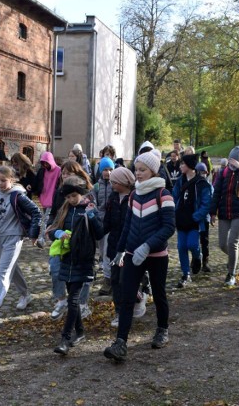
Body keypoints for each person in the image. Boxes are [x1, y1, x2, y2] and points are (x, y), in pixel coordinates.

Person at [103, 149, 175, 362]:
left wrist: (148, 246)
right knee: (126, 297)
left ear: (153, 171)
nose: (139, 173)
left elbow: (169, 227)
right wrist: (120, 250)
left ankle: (162, 329)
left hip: (157, 255)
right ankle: (120, 343)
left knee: (159, 293)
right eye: (136, 169)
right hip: (133, 255)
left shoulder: (164, 195)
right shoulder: (134, 194)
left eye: (143, 170)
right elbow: (128, 225)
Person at [48, 176, 104, 355]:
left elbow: (100, 232)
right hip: (67, 259)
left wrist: (92, 215)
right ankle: (80, 332)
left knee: (73, 300)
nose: (71, 199)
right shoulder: (64, 209)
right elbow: (51, 230)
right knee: (73, 300)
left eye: (74, 196)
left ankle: (65, 339)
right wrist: (58, 233)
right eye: (68, 197)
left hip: (83, 260)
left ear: (80, 193)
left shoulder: (88, 208)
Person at [0, 165, 42, 322]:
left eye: (4, 181)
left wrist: (33, 234)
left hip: (14, 236)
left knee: (3, 271)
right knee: (11, 268)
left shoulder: (18, 195)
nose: (0, 184)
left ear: (12, 180)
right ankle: (26, 295)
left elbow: (36, 212)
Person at [46, 161, 94, 321]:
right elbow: (53, 214)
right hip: (62, 237)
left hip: (83, 240)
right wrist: (52, 229)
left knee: (83, 272)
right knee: (55, 268)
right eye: (63, 173)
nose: (65, 176)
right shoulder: (60, 193)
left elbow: (96, 220)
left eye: (69, 173)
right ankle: (61, 300)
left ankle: (82, 303)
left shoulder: (88, 194)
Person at [104, 167, 147, 328]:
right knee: (115, 280)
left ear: (123, 182)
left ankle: (137, 297)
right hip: (114, 246)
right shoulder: (113, 198)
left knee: (125, 280)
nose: (111, 184)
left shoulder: (135, 197)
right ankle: (119, 312)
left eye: (114, 182)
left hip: (130, 246)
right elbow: (107, 223)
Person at [209, 145, 239, 286]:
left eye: (234, 160)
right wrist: (212, 212)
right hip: (224, 212)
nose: (231, 163)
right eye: (230, 159)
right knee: (222, 244)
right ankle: (233, 259)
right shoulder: (223, 172)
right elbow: (216, 192)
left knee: (233, 243)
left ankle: (231, 274)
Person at [172, 154, 212, 287]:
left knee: (192, 244)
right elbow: (174, 197)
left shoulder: (202, 183)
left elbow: (206, 204)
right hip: (181, 220)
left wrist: (195, 216)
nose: (180, 166)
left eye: (183, 164)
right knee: (181, 247)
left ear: (189, 166)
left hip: (194, 221)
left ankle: (198, 256)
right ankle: (185, 274)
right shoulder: (180, 181)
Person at [93, 156, 115, 296]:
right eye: (105, 169)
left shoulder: (116, 185)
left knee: (108, 252)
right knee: (102, 252)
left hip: (112, 224)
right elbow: (94, 204)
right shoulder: (96, 187)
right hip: (100, 223)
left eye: (110, 169)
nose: (107, 172)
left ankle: (108, 280)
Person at [34, 151, 61, 248]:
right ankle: (52, 236)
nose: (45, 165)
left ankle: (42, 239)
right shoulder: (42, 171)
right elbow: (37, 182)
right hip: (44, 198)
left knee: (45, 219)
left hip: (53, 199)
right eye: (43, 163)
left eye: (46, 162)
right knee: (48, 219)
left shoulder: (59, 170)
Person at [195, 162, 213, 272]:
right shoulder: (194, 185)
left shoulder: (208, 185)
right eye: (201, 172)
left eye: (204, 172)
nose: (203, 174)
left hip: (204, 218)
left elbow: (209, 203)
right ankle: (195, 259)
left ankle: (205, 262)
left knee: (204, 241)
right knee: (194, 241)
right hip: (194, 217)